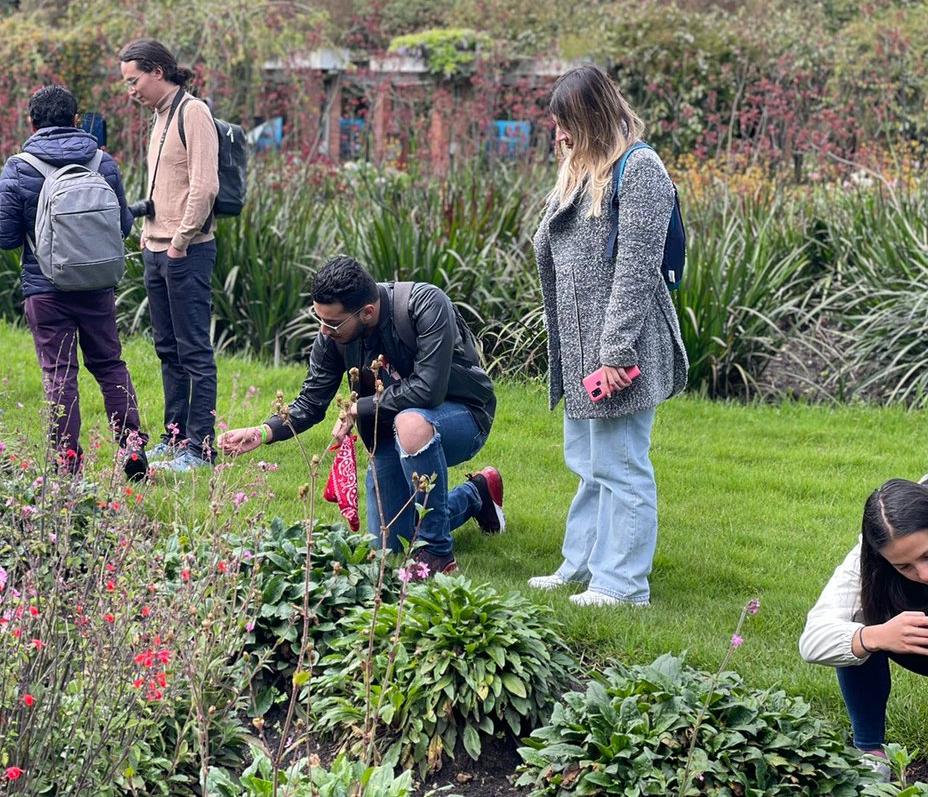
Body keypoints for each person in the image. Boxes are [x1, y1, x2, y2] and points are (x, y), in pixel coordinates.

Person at [220, 256, 505, 574]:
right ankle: (476, 494)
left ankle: (437, 556)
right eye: (320, 320)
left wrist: (359, 407)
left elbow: (428, 390)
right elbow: (311, 403)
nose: (324, 331)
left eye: (332, 323)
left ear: (367, 312)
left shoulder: (425, 303)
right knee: (390, 540)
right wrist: (262, 432)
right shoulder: (332, 336)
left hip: (464, 417)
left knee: (409, 421)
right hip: (387, 436)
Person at [528, 65, 688, 607]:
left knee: (621, 466)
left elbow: (636, 268)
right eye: (556, 124)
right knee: (590, 466)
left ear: (592, 116)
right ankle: (582, 567)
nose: (559, 134)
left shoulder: (639, 169)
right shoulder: (582, 171)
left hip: (622, 348)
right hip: (581, 351)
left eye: (567, 122)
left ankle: (622, 585)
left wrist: (615, 352)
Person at [0, 84, 148, 478]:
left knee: (60, 374)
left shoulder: (20, 167)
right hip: (97, 285)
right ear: (77, 120)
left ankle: (67, 463)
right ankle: (132, 448)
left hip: (45, 288)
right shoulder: (102, 162)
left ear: (32, 122)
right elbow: (124, 225)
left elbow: (5, 237)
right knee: (110, 364)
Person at [117, 38, 219, 474]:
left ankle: (200, 448)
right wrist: (147, 233)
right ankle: (175, 437)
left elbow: (204, 185)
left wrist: (179, 240)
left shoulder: (193, 112)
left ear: (158, 71)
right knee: (167, 349)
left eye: (134, 80)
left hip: (187, 251)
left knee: (194, 349)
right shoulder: (160, 117)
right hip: (157, 249)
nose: (130, 90)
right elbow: (163, 186)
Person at [800, 477, 928, 780]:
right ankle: (870, 753)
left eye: (927, 555)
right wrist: (875, 636)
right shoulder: (868, 559)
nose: (923, 574)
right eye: (903, 566)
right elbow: (813, 639)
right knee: (857, 627)